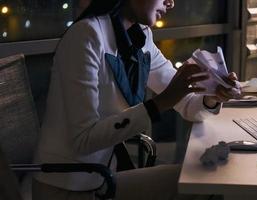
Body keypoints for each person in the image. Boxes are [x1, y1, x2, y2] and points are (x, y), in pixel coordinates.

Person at [32, 0, 240, 199]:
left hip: (102, 177)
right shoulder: (86, 35)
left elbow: (188, 105)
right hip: (68, 188)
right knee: (206, 185)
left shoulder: (140, 36)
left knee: (210, 180)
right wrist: (161, 103)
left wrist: (211, 97)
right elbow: (83, 140)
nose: (171, 2)